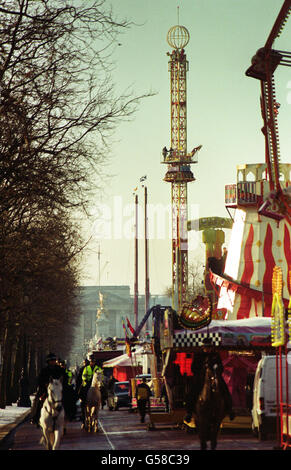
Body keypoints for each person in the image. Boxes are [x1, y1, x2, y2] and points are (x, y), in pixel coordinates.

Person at [185, 338, 235, 423]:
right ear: (203, 347)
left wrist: (217, 369)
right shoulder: (198, 355)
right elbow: (193, 368)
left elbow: (221, 367)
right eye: (206, 347)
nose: (207, 349)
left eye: (209, 347)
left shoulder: (215, 355)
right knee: (192, 390)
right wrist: (202, 370)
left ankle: (229, 410)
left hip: (214, 376)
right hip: (201, 377)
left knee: (224, 388)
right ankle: (189, 412)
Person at [31, 353, 67, 426]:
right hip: (46, 389)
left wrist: (62, 385)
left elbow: (65, 378)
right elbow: (40, 380)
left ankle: (69, 415)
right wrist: (44, 386)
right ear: (48, 362)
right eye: (51, 360)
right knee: (38, 401)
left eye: (54, 360)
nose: (53, 362)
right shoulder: (44, 370)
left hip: (58, 389)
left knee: (67, 398)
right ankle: (36, 417)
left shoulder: (60, 369)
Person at [79, 355, 102, 427]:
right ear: (90, 362)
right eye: (91, 361)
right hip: (88, 383)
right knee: (82, 390)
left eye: (94, 362)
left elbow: (101, 374)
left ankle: (103, 399)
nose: (93, 363)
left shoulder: (98, 368)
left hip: (96, 383)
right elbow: (83, 376)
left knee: (103, 389)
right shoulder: (86, 368)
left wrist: (100, 380)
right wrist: (86, 380)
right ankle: (83, 400)